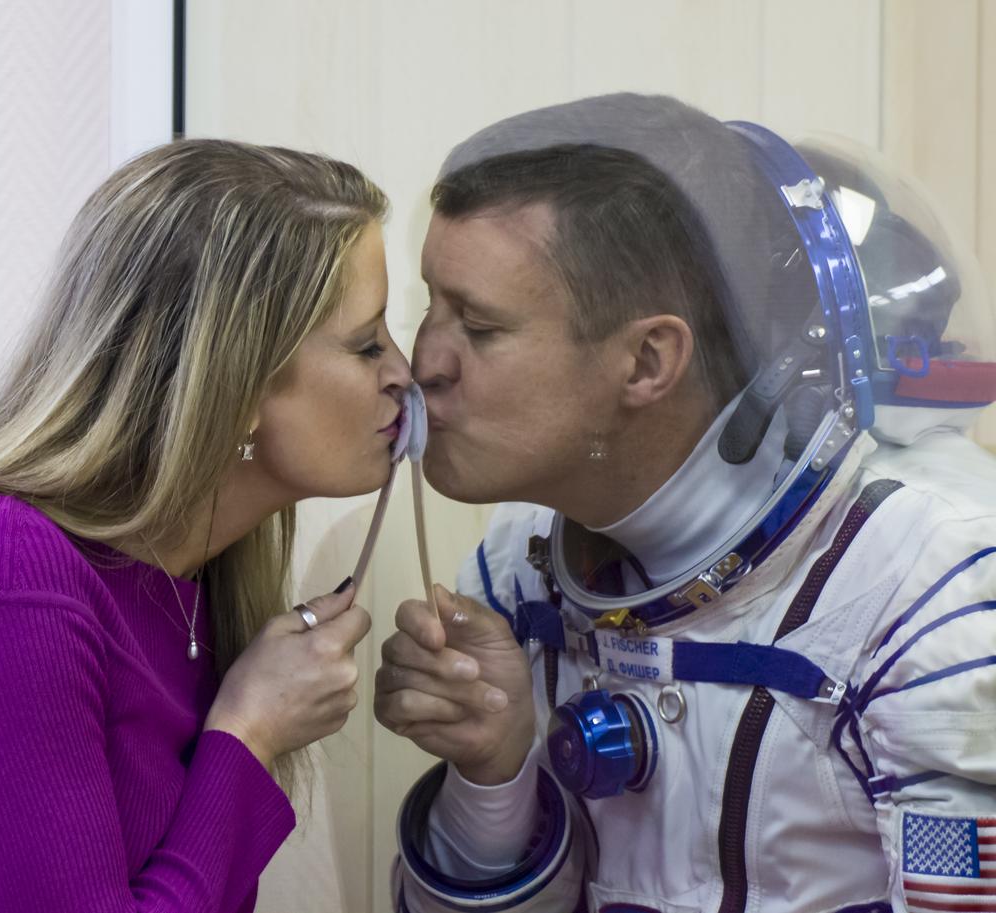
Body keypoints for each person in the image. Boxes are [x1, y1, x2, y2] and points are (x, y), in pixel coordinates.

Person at [0, 139, 411, 913]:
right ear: (237, 379)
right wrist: (248, 737)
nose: (404, 372)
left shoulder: (192, 586)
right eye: (367, 343)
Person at [375, 93, 996, 913]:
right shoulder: (516, 561)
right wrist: (492, 776)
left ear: (646, 361)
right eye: (432, 306)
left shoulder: (928, 583)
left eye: (479, 327)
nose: (424, 363)